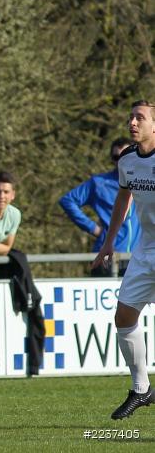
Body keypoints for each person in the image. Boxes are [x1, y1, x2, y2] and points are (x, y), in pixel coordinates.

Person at [94, 100, 155, 420]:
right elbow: (124, 195)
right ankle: (141, 388)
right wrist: (108, 241)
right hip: (145, 251)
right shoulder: (128, 158)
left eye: (140, 118)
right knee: (124, 317)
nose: (133, 122)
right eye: (131, 117)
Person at [60, 137, 138, 276]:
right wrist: (93, 228)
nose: (120, 160)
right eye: (115, 157)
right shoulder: (99, 183)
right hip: (108, 258)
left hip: (138, 257)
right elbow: (68, 201)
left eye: (125, 155)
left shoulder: (146, 180)